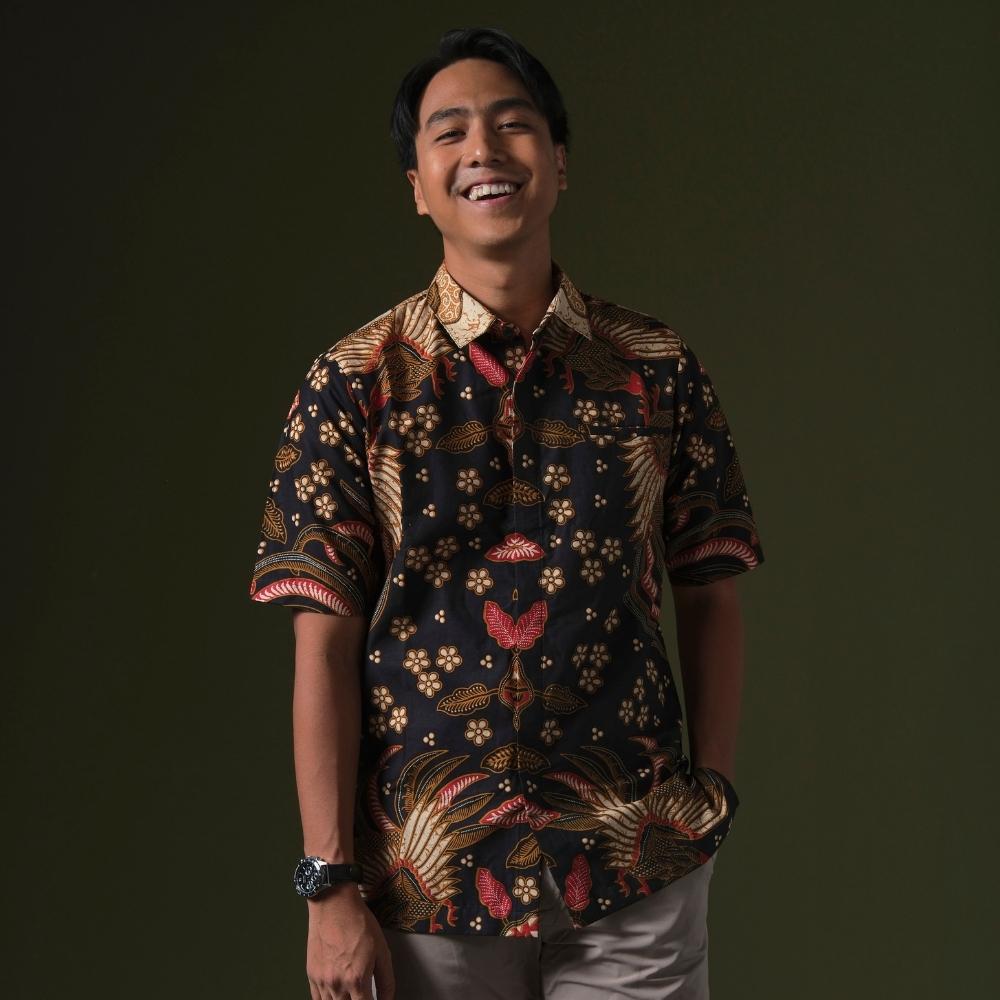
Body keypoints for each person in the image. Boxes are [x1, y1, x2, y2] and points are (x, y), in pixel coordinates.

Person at [248, 25, 766, 1000]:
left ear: (559, 162)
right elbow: (322, 643)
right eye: (449, 133)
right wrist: (328, 885)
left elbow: (711, 585)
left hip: (634, 864)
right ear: (418, 184)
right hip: (423, 885)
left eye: (512, 124)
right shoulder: (352, 384)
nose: (483, 149)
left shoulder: (655, 370)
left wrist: (711, 796)